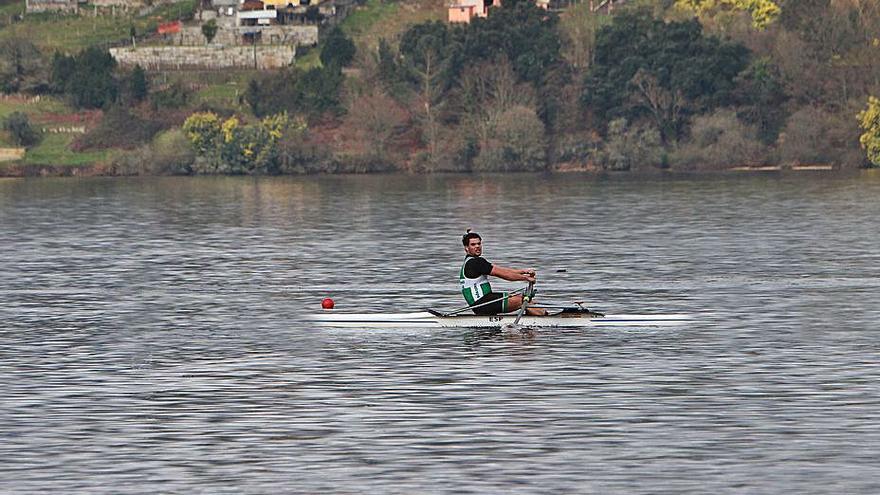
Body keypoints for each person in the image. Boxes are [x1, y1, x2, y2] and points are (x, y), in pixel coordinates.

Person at [460, 230, 547, 316]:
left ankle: (532, 322)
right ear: (466, 248)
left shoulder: (473, 261)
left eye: (479, 243)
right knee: (525, 301)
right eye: (473, 244)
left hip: (485, 301)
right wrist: (526, 278)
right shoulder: (475, 263)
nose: (477, 246)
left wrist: (523, 272)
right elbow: (504, 275)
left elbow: (502, 270)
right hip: (483, 303)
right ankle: (546, 318)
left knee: (525, 299)